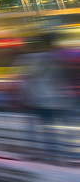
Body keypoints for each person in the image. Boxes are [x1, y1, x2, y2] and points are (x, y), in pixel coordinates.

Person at [16, 33, 77, 163]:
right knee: (61, 128)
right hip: (57, 100)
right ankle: (68, 154)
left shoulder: (33, 59)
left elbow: (29, 79)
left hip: (43, 101)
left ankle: (54, 155)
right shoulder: (58, 56)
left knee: (48, 130)